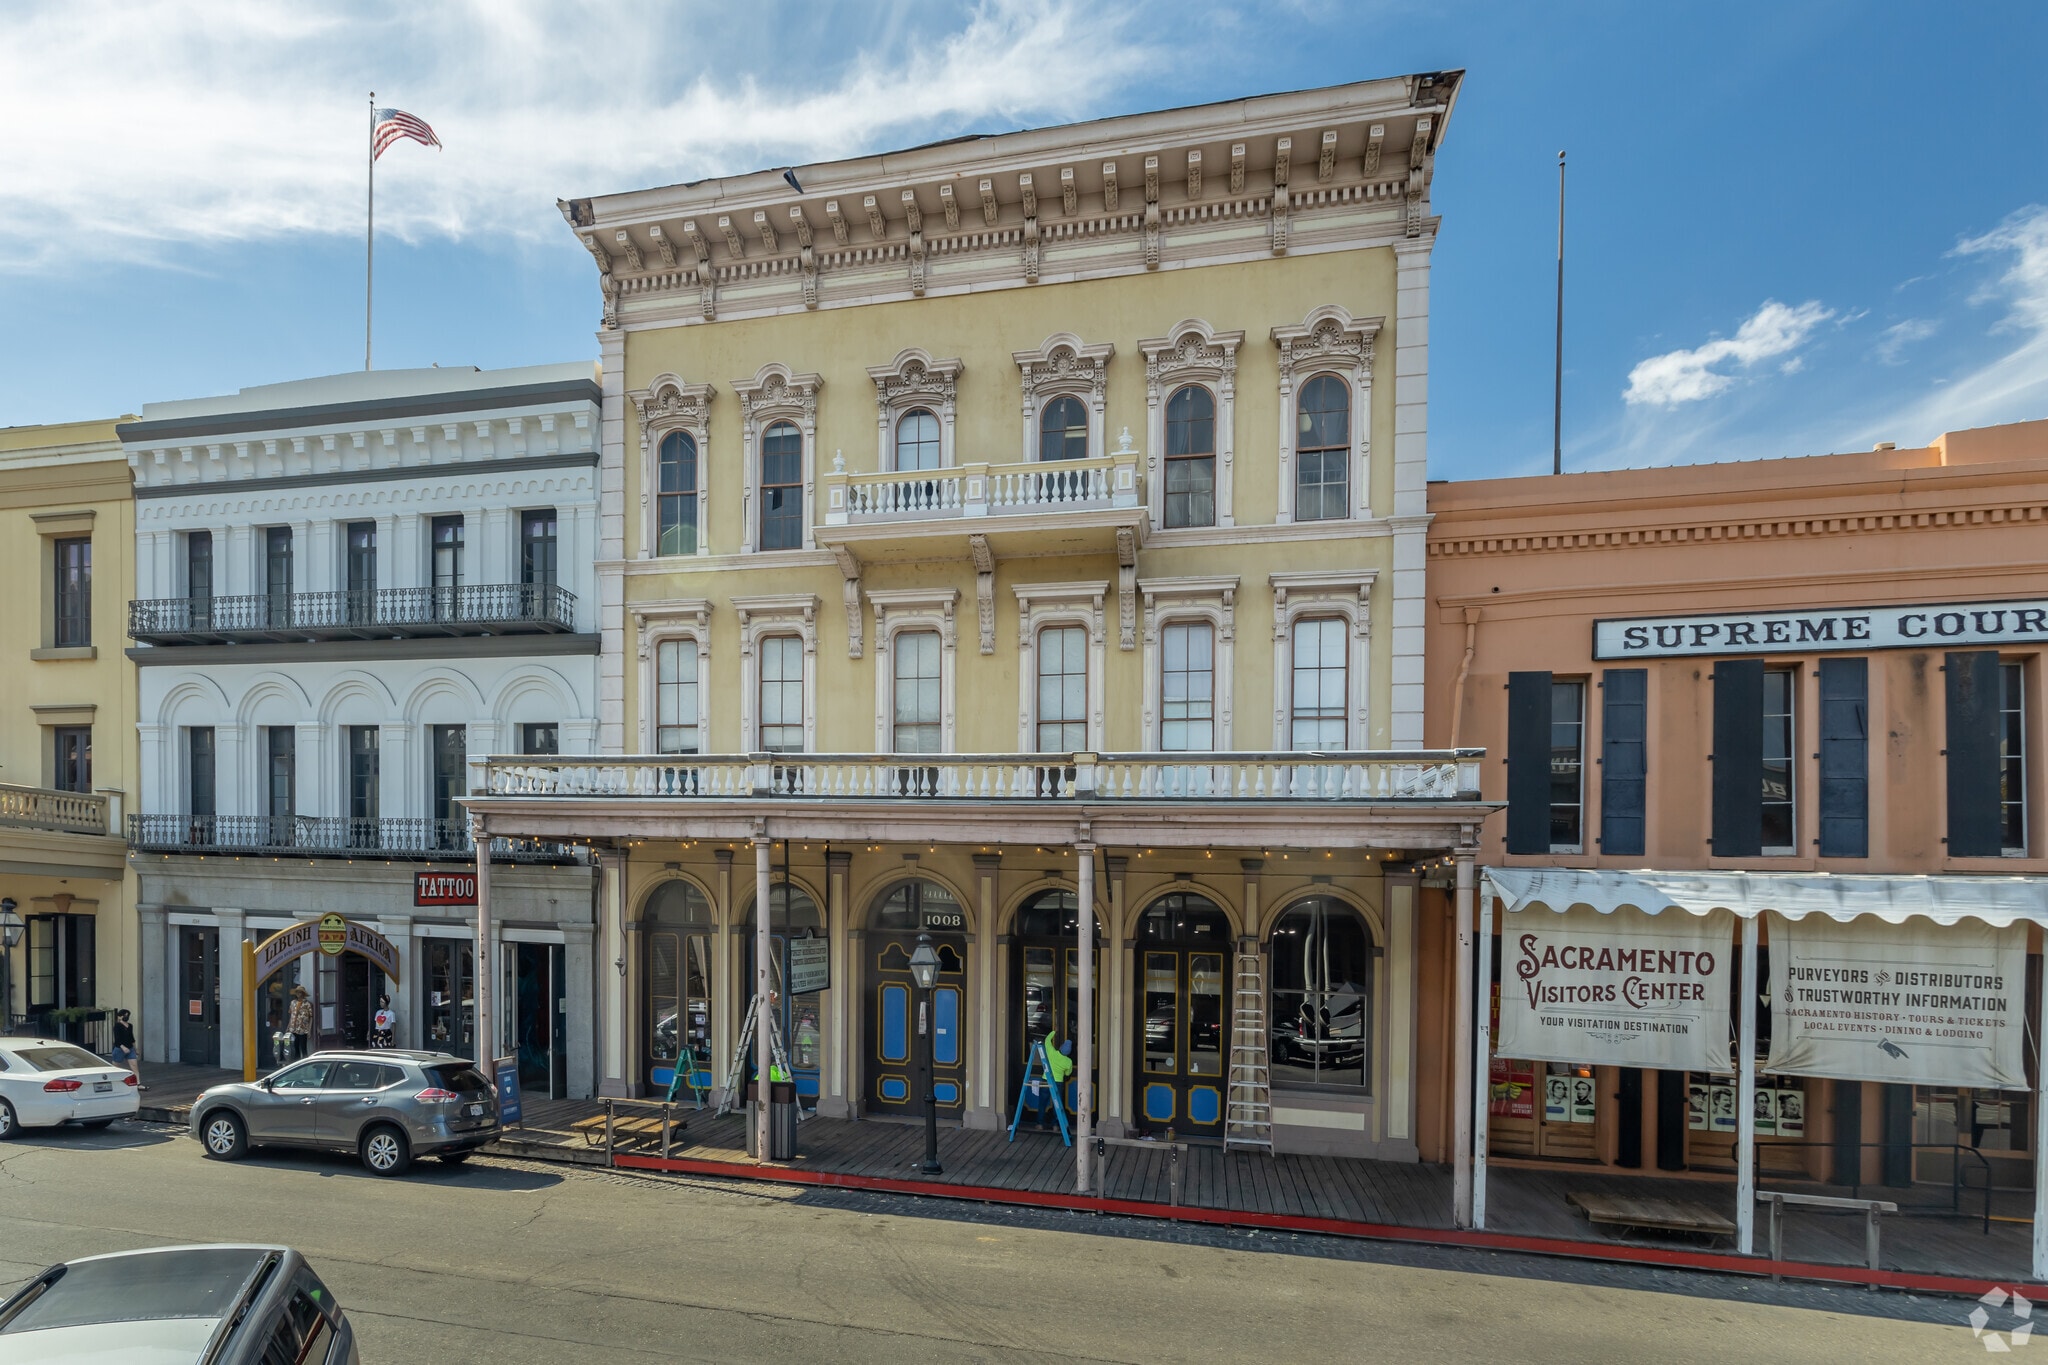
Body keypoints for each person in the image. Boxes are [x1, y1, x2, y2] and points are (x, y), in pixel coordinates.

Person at [110, 1009, 140, 1088]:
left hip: (130, 1048)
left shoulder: (130, 1025)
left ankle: (138, 1083)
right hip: (119, 1049)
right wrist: (123, 1047)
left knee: (134, 1065)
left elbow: (132, 1038)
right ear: (120, 1016)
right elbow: (117, 1039)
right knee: (116, 1067)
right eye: (124, 1015)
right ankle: (115, 1083)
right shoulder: (117, 1026)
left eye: (127, 1015)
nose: (126, 1017)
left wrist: (135, 1048)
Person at [287, 984, 313, 1059]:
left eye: (300, 992)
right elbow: (291, 1015)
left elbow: (311, 1017)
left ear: (303, 994)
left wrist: (309, 1030)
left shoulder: (307, 1004)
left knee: (303, 1048)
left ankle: (305, 1064)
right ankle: (296, 1063)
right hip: (293, 1028)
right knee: (295, 1048)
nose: (299, 994)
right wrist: (288, 1027)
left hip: (302, 1029)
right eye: (297, 992)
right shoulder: (293, 1003)